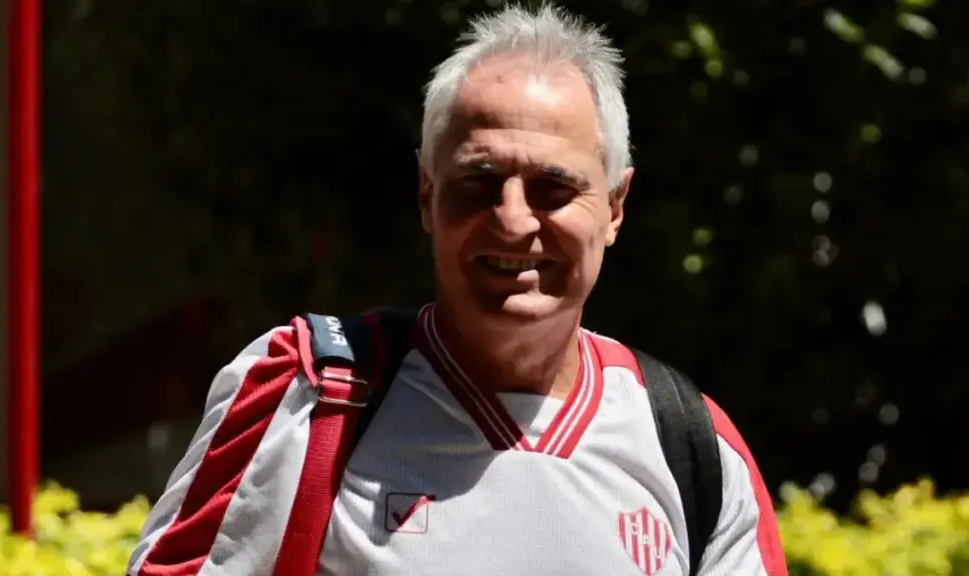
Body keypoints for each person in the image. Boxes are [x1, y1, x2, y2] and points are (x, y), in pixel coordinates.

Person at [127, 4, 787, 575]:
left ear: (615, 207)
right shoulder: (307, 397)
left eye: (553, 188)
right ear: (427, 195)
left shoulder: (693, 446)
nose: (514, 221)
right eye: (479, 181)